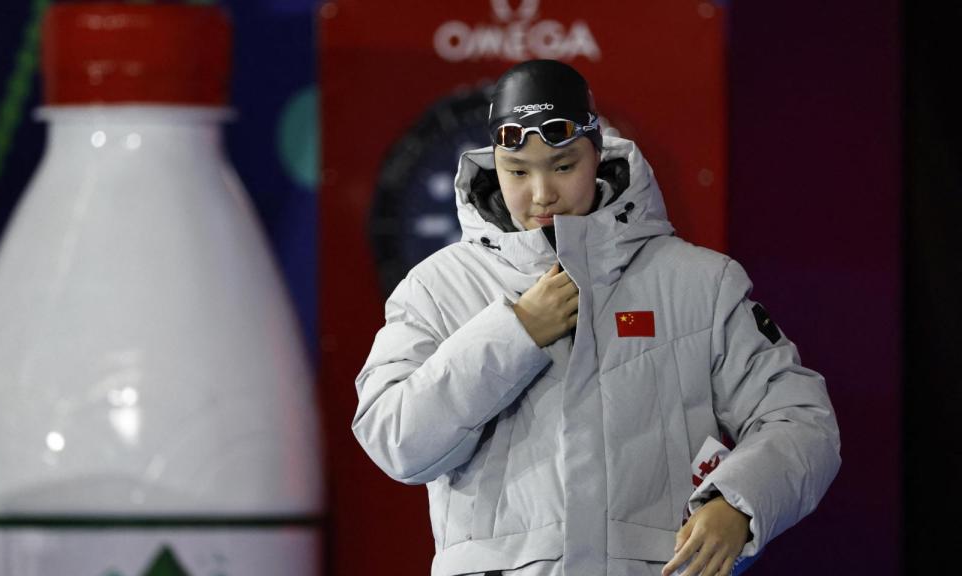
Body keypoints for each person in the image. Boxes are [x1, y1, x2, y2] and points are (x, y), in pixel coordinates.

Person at [352, 59, 841, 576]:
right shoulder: (437, 287)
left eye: (563, 166)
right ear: (493, 162)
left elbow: (803, 419)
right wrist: (513, 334)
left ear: (597, 153)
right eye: (518, 170)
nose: (541, 193)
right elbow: (395, 439)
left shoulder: (698, 284)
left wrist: (739, 503)